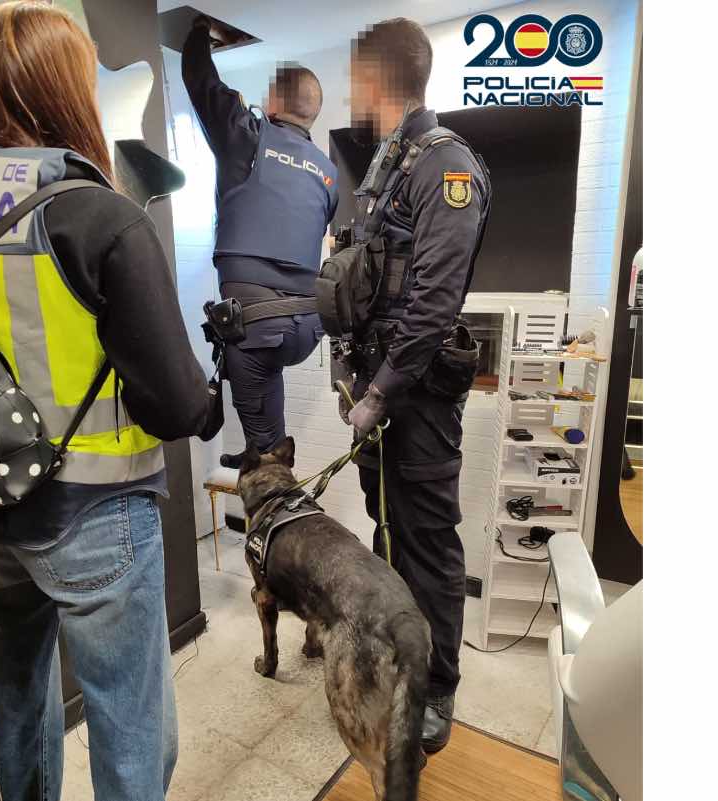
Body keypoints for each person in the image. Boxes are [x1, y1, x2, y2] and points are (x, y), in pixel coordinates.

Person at [0, 3, 218, 800]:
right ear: (66, 89)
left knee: (17, 711)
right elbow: (177, 405)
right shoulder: (97, 214)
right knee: (135, 736)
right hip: (96, 517)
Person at [340, 18, 492, 755]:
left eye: (353, 81)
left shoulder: (444, 165)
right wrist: (351, 372)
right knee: (387, 530)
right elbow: (364, 274)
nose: (350, 95)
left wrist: (382, 389)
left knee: (427, 543)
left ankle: (438, 689)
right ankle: (398, 663)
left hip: (418, 395)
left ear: (376, 81)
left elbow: (432, 301)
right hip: (374, 385)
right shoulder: (385, 165)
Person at [182, 15, 338, 468]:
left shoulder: (249, 137)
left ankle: (267, 474)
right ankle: (270, 448)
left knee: (264, 457)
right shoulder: (329, 172)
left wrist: (198, 32)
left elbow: (199, 79)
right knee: (270, 385)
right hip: (307, 326)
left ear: (273, 100)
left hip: (252, 324)